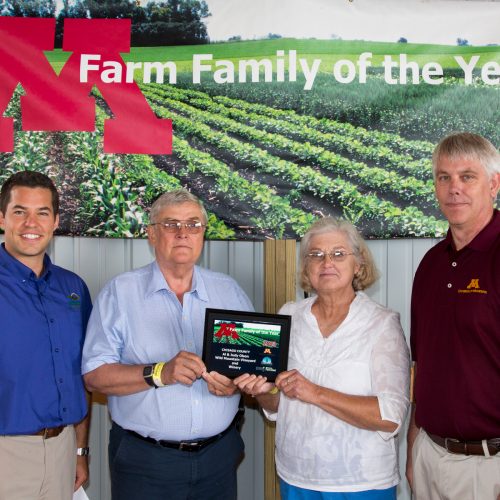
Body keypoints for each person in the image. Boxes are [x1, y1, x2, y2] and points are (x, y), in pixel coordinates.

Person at [82, 189, 254, 500]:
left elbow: (250, 367)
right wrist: (161, 372)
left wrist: (234, 384)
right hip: (146, 462)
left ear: (203, 234)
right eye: (171, 224)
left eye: (193, 225)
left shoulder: (229, 292)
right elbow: (95, 375)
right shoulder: (121, 293)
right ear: (151, 234)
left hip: (219, 458)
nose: (182, 234)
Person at [235, 217, 410, 499]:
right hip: (295, 475)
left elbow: (390, 416)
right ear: (306, 267)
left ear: (358, 264)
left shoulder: (382, 323)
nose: (327, 262)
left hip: (359, 483)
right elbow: (277, 406)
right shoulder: (289, 316)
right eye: (316, 255)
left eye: (338, 254)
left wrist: (315, 392)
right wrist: (263, 392)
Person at [406, 132, 500, 500]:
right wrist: (415, 442)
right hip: (431, 455)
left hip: (489, 467)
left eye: (467, 176)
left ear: (494, 183)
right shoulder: (431, 265)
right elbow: (423, 364)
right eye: (444, 177)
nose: (453, 188)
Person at [0, 171, 92, 500]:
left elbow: (82, 372)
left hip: (62, 450)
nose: (31, 223)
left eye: (42, 213)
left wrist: (80, 450)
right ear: (2, 218)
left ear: (55, 221)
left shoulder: (73, 289)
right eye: (19, 211)